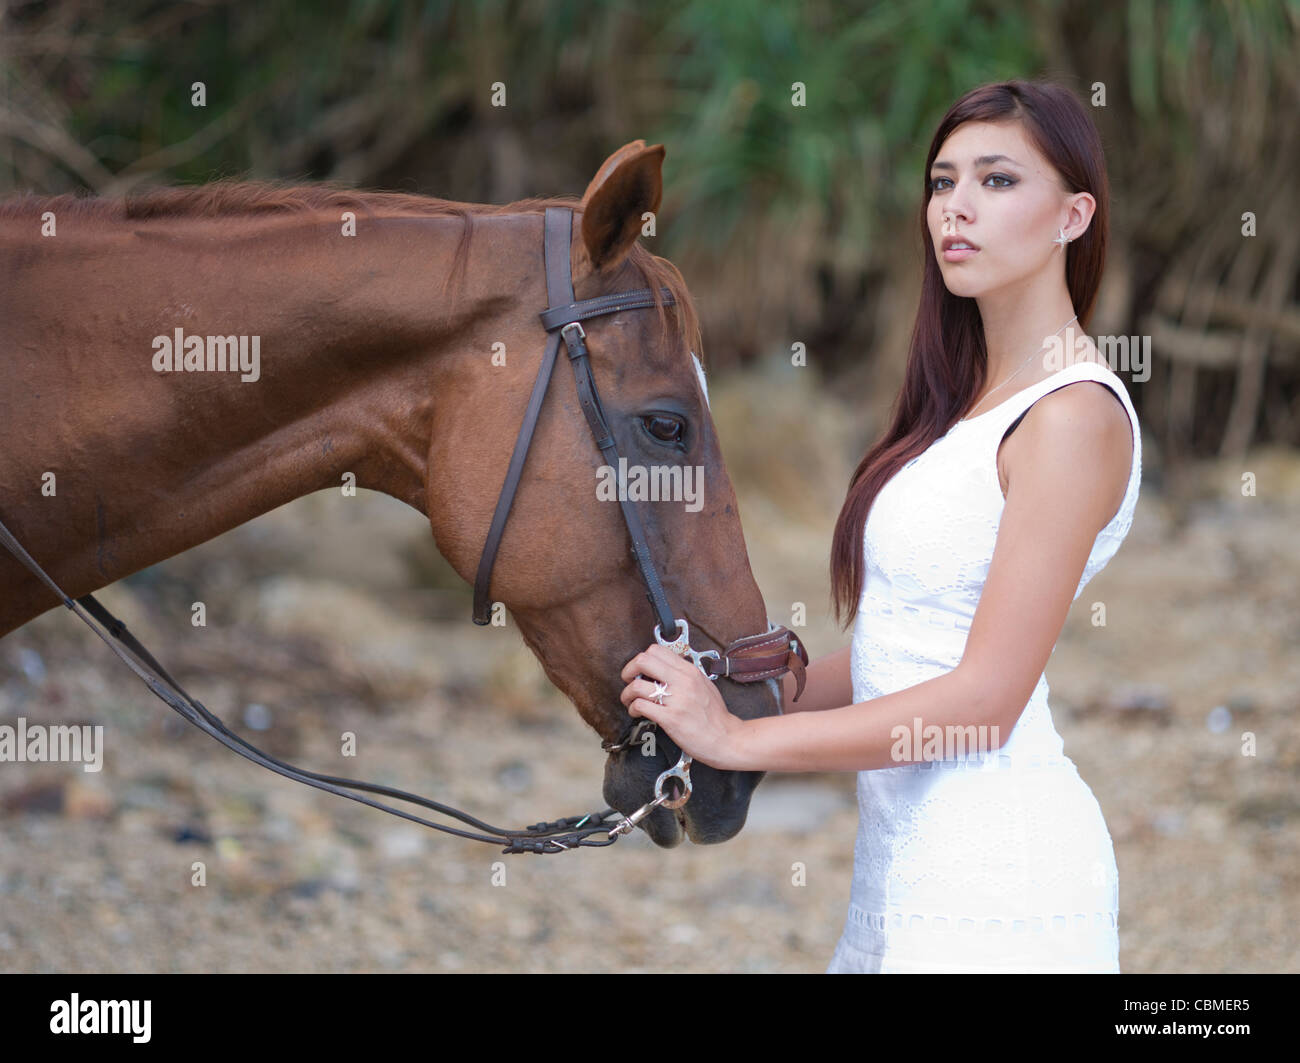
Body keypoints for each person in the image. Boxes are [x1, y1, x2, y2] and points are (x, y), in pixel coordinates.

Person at [620, 78, 1140, 973]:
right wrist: (738, 692)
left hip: (1003, 888)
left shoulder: (1072, 417)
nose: (955, 207)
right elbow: (904, 651)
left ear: (1074, 215)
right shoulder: (963, 407)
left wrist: (742, 741)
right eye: (942, 182)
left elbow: (984, 704)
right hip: (902, 876)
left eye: (997, 180)